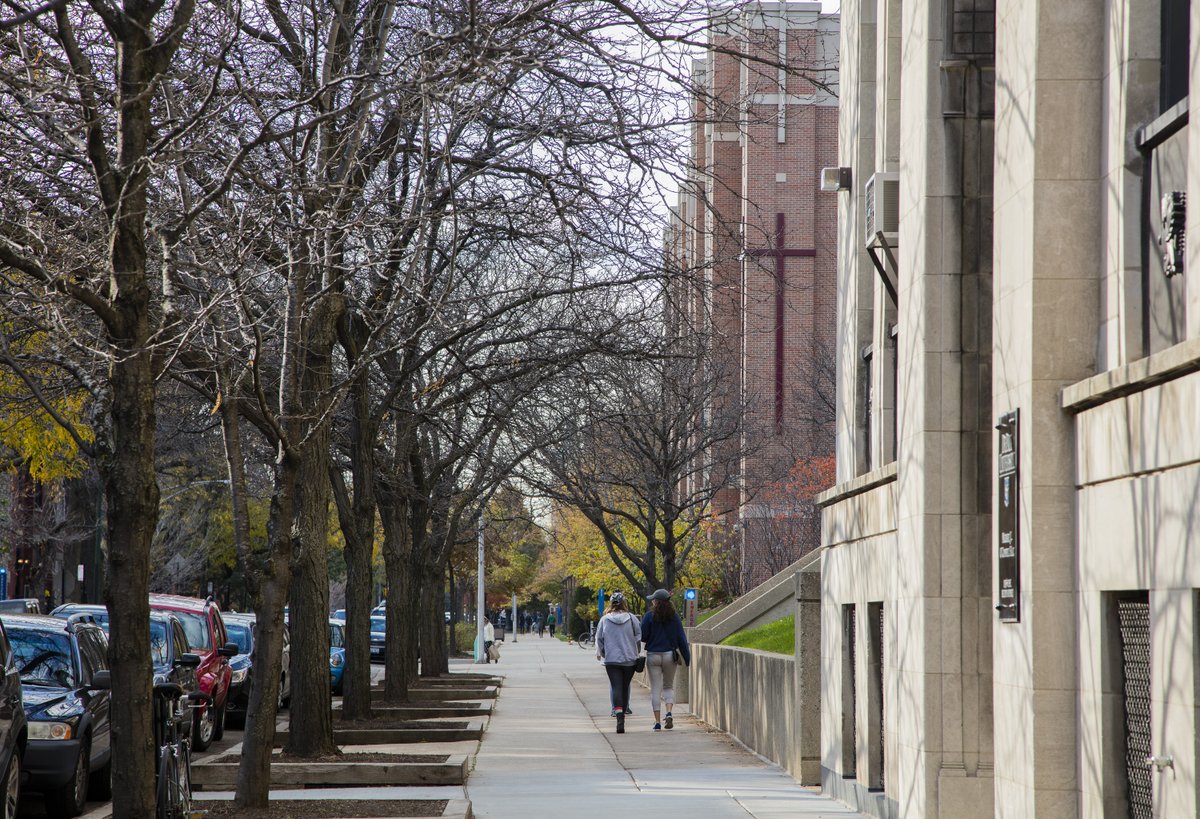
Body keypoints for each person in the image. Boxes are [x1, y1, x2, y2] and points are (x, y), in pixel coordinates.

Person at [641, 589, 691, 731]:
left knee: (655, 689)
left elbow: (643, 636)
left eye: (653, 599)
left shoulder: (649, 616)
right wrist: (687, 658)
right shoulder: (674, 617)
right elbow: (681, 638)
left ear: (656, 601)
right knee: (668, 686)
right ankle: (669, 713)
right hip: (669, 654)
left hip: (653, 655)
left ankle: (657, 722)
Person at [595, 591, 641, 734]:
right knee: (625, 685)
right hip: (629, 659)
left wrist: (602, 653)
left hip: (612, 659)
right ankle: (624, 709)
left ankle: (619, 716)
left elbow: (599, 638)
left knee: (616, 686)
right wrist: (636, 651)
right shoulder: (632, 618)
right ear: (624, 603)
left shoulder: (604, 620)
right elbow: (638, 636)